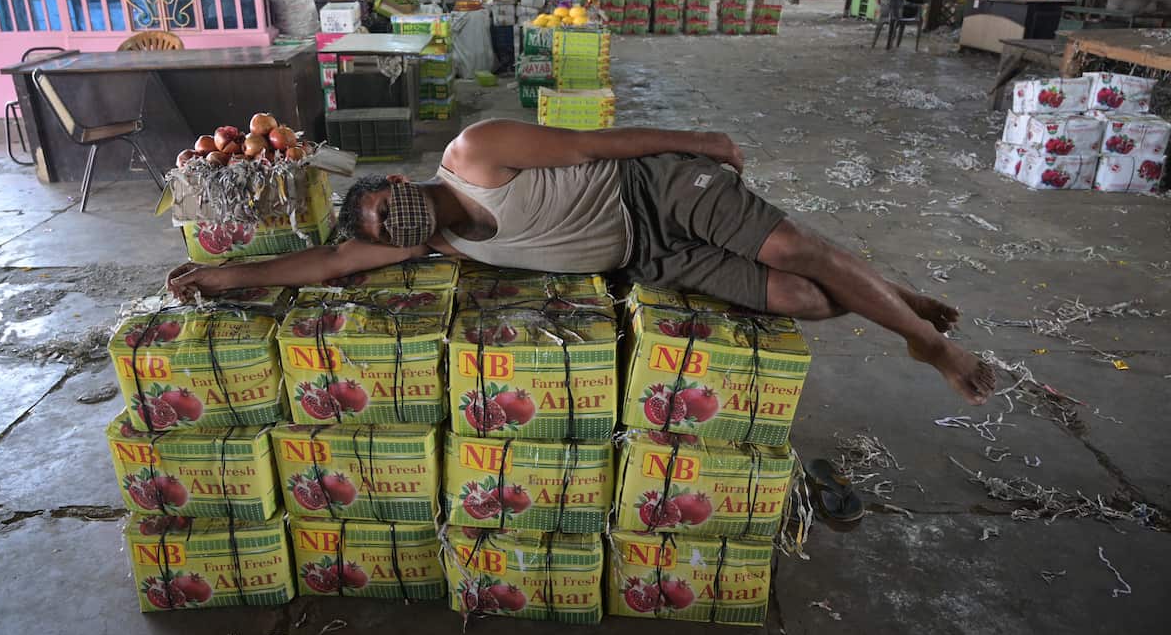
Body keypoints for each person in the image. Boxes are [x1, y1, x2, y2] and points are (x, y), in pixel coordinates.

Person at [169, 121, 997, 405]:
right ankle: (891, 294)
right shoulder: (431, 242)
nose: (401, 220)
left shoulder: (477, 152)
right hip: (652, 256)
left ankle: (925, 341)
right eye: (390, 231)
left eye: (393, 202)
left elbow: (599, 144)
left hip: (659, 191)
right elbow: (318, 265)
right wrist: (216, 278)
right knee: (807, 298)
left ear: (398, 180)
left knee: (796, 247)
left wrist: (695, 142)